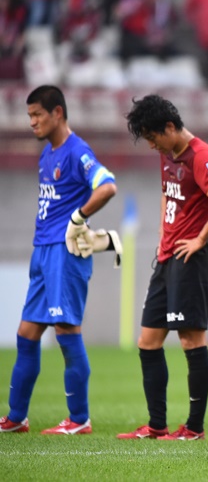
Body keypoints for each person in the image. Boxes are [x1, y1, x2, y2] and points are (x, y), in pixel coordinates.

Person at [117, 94, 208, 441]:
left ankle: (194, 427)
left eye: (153, 137)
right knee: (148, 340)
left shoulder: (200, 155)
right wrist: (163, 233)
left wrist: (200, 238)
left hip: (192, 259)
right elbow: (167, 193)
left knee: (190, 339)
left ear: (170, 126)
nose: (151, 145)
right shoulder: (168, 154)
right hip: (168, 255)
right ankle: (157, 424)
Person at [0, 85, 117, 435]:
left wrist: (78, 218)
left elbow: (107, 185)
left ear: (58, 113)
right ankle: (16, 418)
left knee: (66, 331)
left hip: (65, 254)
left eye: (37, 114)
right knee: (26, 333)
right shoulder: (48, 154)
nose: (32, 122)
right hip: (43, 251)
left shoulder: (77, 151)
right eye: (30, 116)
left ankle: (79, 420)